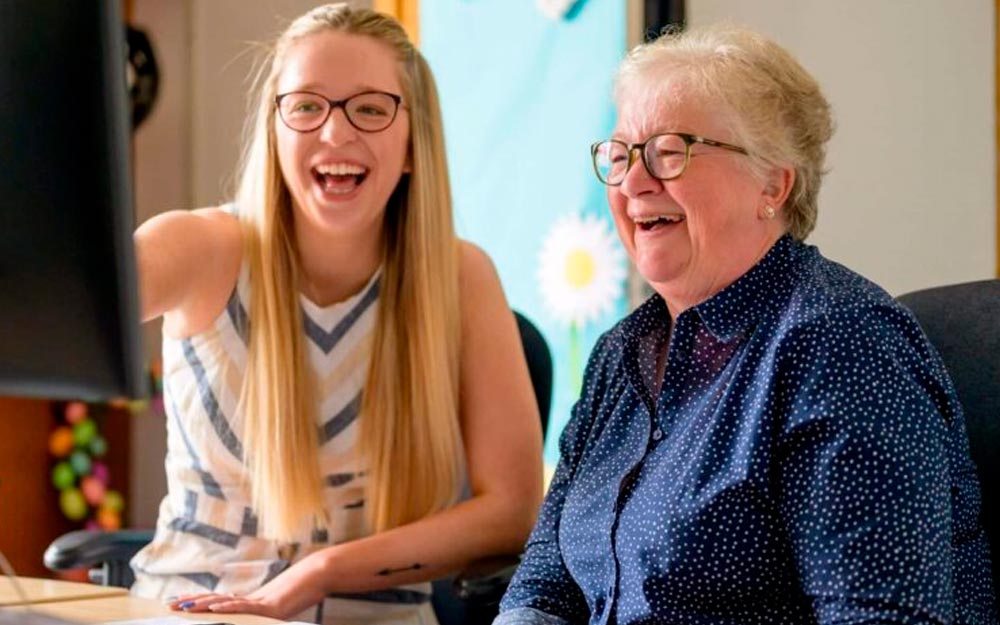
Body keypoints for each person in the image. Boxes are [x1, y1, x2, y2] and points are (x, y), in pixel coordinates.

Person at [496, 24, 996, 625]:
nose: (632, 182)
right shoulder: (619, 354)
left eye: (668, 150)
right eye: (623, 154)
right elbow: (548, 571)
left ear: (772, 184)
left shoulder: (843, 343)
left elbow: (879, 616)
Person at [128, 4, 543, 623]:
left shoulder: (462, 279)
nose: (334, 133)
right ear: (276, 130)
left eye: (370, 108)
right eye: (307, 106)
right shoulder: (197, 248)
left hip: (376, 613)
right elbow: (49, 321)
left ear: (412, 145)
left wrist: (319, 573)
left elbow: (513, 511)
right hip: (191, 607)